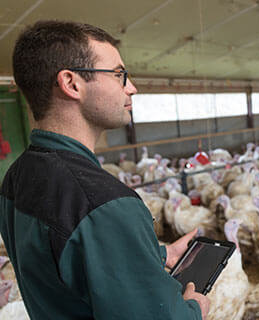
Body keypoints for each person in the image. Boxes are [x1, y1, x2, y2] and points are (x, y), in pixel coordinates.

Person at [0, 20, 209, 319]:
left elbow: (66, 263)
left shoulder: (17, 177)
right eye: (119, 75)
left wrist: (160, 255)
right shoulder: (106, 206)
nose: (132, 88)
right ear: (72, 84)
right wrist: (194, 310)